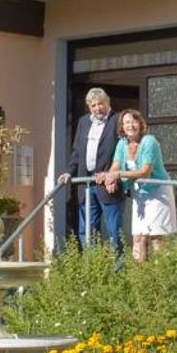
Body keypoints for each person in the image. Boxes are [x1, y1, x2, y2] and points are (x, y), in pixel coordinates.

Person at [57, 87, 123, 251]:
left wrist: (113, 174)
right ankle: (93, 267)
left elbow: (123, 150)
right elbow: (77, 151)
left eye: (100, 104)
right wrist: (68, 171)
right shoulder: (84, 122)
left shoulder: (118, 120)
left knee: (114, 232)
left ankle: (118, 271)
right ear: (89, 106)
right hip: (86, 185)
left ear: (107, 103)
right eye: (93, 105)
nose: (97, 108)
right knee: (87, 231)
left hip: (108, 184)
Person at [111, 108, 176, 260]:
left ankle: (162, 278)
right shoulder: (122, 143)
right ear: (122, 126)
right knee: (138, 238)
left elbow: (145, 172)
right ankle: (141, 279)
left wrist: (118, 174)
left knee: (156, 238)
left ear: (140, 124)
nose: (130, 125)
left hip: (158, 193)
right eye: (126, 122)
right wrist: (109, 176)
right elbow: (116, 164)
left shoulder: (149, 141)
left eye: (134, 121)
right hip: (139, 195)